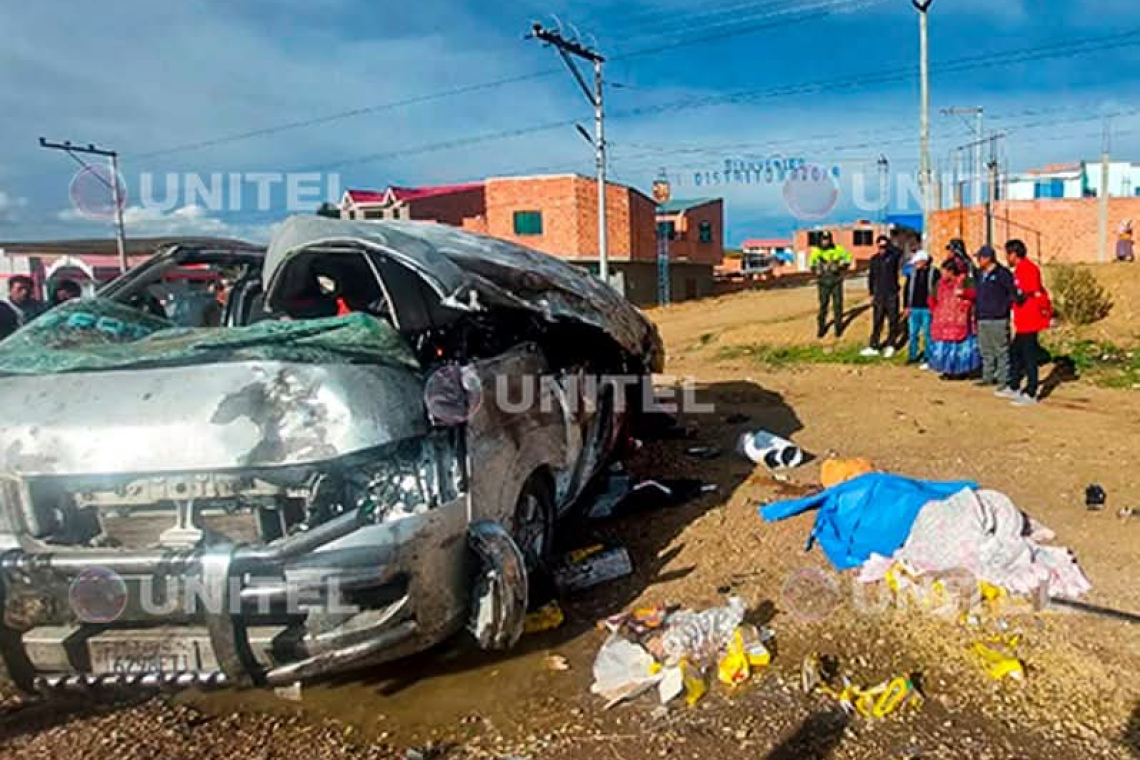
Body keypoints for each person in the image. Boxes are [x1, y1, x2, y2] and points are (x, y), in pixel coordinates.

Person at [995, 239, 1051, 406]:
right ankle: (1014, 386)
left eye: (1008, 253)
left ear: (1014, 253)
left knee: (1029, 356)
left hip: (1030, 318)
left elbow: (1027, 291)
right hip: (1022, 320)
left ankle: (1031, 392)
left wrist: (1014, 294)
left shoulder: (1029, 268)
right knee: (1016, 352)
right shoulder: (1019, 269)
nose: (1006, 257)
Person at [927, 257, 981, 380]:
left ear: (951, 271)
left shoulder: (966, 280)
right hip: (944, 322)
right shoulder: (939, 283)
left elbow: (975, 294)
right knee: (945, 348)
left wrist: (964, 293)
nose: (943, 274)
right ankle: (947, 370)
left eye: (945, 271)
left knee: (960, 349)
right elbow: (931, 298)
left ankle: (961, 371)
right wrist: (935, 311)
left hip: (962, 322)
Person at [973, 245, 1016, 388]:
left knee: (1001, 350)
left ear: (987, 258)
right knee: (986, 349)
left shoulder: (1002, 274)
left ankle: (1004, 378)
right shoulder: (980, 274)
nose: (978, 261)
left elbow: (1011, 293)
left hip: (998, 318)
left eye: (980, 258)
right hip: (983, 317)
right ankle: (988, 376)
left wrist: (1003, 309)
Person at [861, 235, 903, 358]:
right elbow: (871, 277)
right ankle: (873, 346)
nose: (882, 249)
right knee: (877, 321)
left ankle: (891, 345)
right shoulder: (874, 259)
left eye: (884, 246)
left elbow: (899, 251)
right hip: (879, 295)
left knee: (893, 321)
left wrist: (889, 245)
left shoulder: (893, 257)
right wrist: (871, 293)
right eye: (880, 246)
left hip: (891, 294)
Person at [809, 231, 853, 339]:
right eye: (823, 239)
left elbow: (848, 258)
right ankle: (821, 328)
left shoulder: (837, 249)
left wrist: (841, 266)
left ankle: (838, 328)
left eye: (827, 239)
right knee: (823, 305)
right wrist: (816, 269)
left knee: (838, 305)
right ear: (820, 240)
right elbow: (811, 264)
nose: (825, 241)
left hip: (836, 280)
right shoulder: (816, 251)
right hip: (823, 282)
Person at [902, 249, 939, 367]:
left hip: (927, 308)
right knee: (913, 333)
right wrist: (906, 306)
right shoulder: (912, 273)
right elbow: (907, 290)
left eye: (917, 262)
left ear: (924, 261)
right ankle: (912, 355)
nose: (915, 264)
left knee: (928, 334)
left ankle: (928, 356)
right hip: (914, 308)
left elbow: (937, 290)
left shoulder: (934, 273)